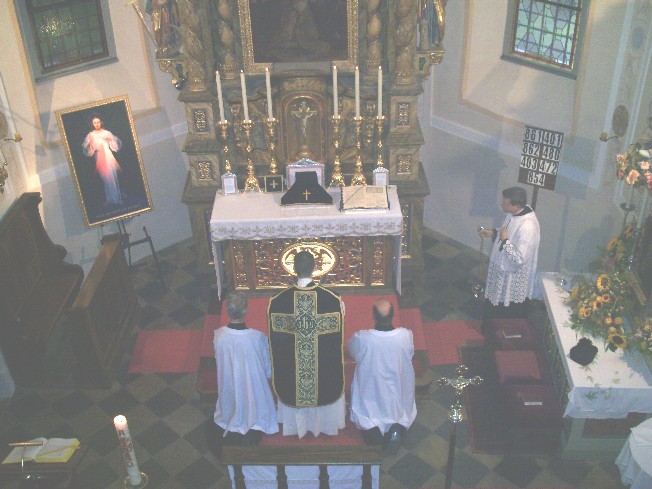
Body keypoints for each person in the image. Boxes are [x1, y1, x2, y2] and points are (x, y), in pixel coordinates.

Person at [268, 250, 345, 438]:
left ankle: (295, 425)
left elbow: (277, 341)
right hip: (323, 373)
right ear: (315, 268)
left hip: (292, 375)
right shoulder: (333, 300)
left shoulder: (278, 301)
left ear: (294, 269)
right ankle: (325, 424)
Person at [348, 298, 416, 454]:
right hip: (396, 391)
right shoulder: (405, 335)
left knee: (367, 413)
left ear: (373, 316)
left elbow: (353, 352)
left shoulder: (362, 338)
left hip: (372, 388)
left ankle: (374, 432)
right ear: (393, 315)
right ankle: (396, 427)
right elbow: (410, 354)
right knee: (398, 405)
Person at [212, 291, 278, 448]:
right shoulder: (257, 337)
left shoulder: (219, 335)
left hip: (230, 381)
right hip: (252, 383)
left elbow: (219, 359)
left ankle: (233, 416)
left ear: (227, 310)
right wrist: (269, 375)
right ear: (246, 310)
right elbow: (266, 365)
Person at [478, 187, 540, 327]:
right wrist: (494, 232)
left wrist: (505, 240)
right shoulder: (513, 214)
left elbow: (520, 259)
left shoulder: (528, 226)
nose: (501, 204)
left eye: (505, 203)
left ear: (516, 205)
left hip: (511, 277)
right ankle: (489, 330)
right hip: (501, 270)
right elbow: (508, 231)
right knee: (494, 302)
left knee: (505, 311)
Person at [82, 114, 124, 207]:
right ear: (92, 124)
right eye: (94, 123)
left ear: (101, 122)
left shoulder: (106, 133)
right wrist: (90, 144)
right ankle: (110, 199)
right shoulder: (91, 135)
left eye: (98, 122)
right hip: (99, 157)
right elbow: (86, 148)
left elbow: (115, 144)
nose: (97, 124)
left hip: (108, 156)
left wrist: (111, 139)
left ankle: (117, 199)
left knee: (112, 177)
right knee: (105, 179)